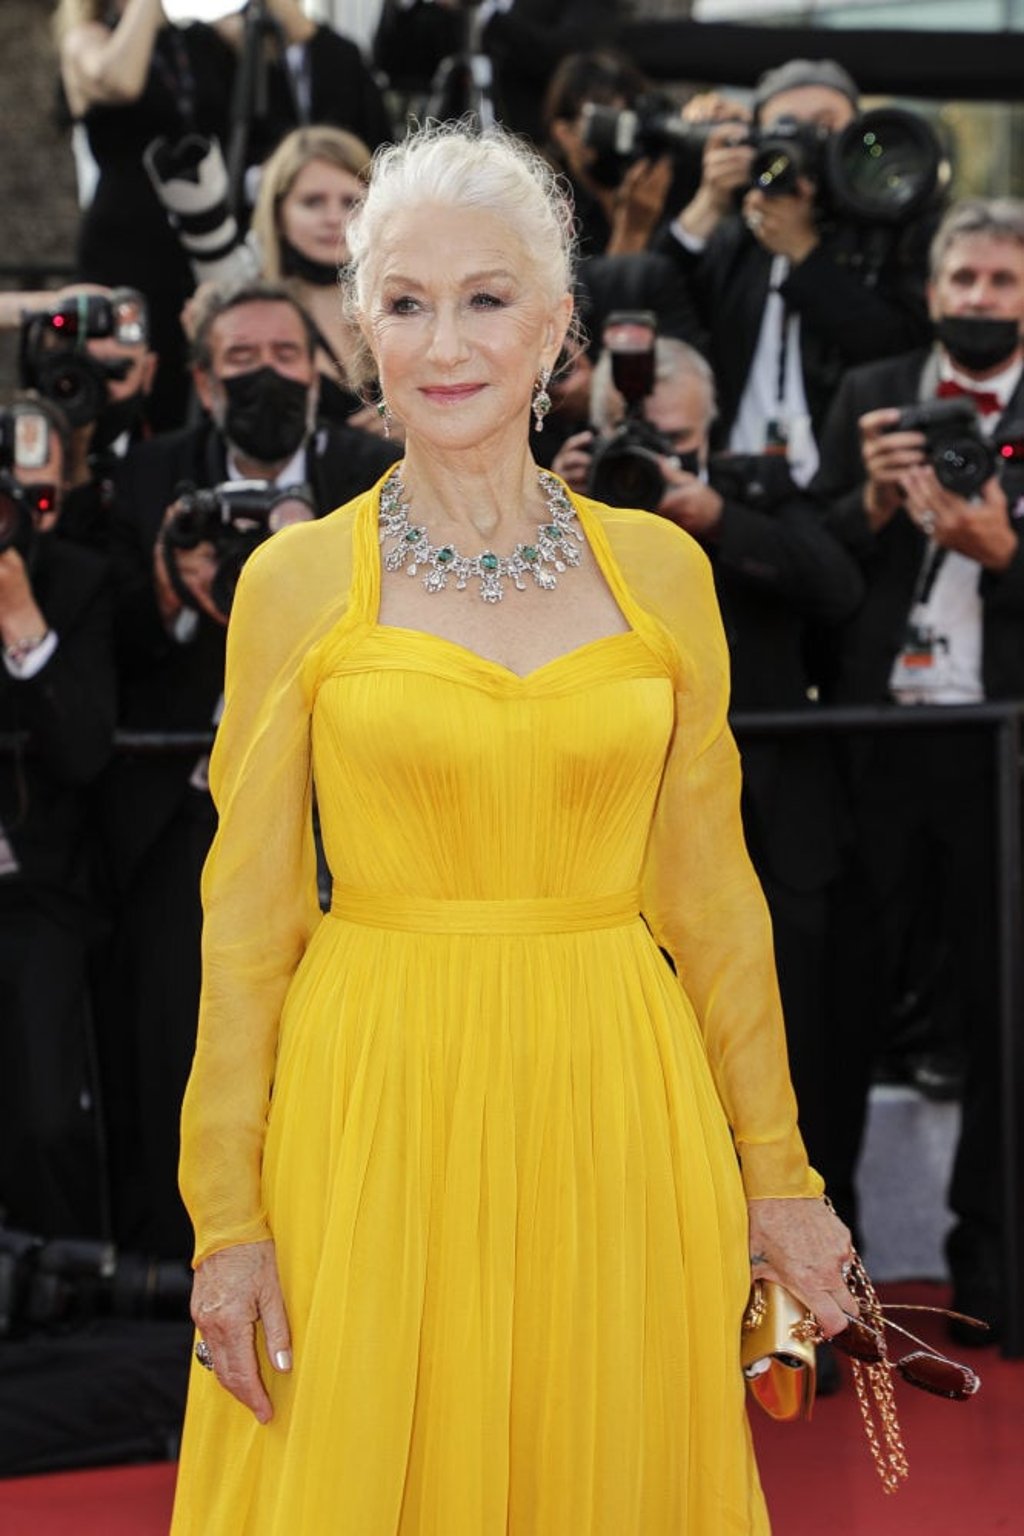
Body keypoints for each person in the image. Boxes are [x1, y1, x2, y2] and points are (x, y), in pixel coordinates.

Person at [169, 123, 853, 1536]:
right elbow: (245, 928)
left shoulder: (663, 572)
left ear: (557, 325)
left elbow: (715, 900)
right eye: (405, 304)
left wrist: (779, 1180)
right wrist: (226, 1224)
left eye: (486, 299)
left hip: (618, 1097)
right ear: (362, 331)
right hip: (372, 1106)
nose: (445, 343)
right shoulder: (299, 582)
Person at [95, 278, 399, 1261]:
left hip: (346, 818)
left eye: (286, 358)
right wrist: (172, 592)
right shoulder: (150, 477)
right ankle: (166, 1281)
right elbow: (110, 643)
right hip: (185, 815)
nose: (267, 378)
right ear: (201, 381)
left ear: (318, 372)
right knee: (176, 1046)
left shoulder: (378, 472)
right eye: (241, 364)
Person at [554, 337, 863, 1233]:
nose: (648, 462)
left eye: (674, 441)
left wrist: (712, 512)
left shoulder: (755, 490)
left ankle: (821, 1275)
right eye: (631, 440)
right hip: (616, 834)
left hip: (776, 826)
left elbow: (837, 586)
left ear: (711, 429)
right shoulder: (547, 508)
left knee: (795, 1048)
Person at [812, 196, 1024, 1340]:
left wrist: (1004, 554)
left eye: (1001, 281)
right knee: (844, 1007)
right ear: (931, 288)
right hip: (877, 747)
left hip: (1001, 743)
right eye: (963, 280)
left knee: (1005, 1013)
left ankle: (995, 1274)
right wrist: (873, 502)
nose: (979, 300)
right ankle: (826, 1281)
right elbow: (813, 564)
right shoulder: (869, 390)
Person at [657, 57, 936, 485]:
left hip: (844, 486)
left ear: (857, 135)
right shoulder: (737, 231)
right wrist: (707, 204)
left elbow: (902, 349)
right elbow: (654, 302)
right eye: (786, 127)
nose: (806, 144)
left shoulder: (892, 229)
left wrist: (804, 253)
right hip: (730, 479)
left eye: (825, 127)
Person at [0, 392, 116, 1240]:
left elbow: (83, 752)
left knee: (49, 1115)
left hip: (38, 893)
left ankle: (69, 1288)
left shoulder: (77, 580)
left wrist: (25, 632)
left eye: (29, 501)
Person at [55, 0, 236, 431]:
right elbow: (120, 81)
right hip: (128, 243)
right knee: (130, 380)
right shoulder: (87, 38)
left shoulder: (197, 41)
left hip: (203, 236)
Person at [250, 125, 390, 434]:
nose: (332, 218)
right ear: (278, 215)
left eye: (350, 202)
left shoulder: (403, 305)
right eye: (313, 202)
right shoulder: (251, 314)